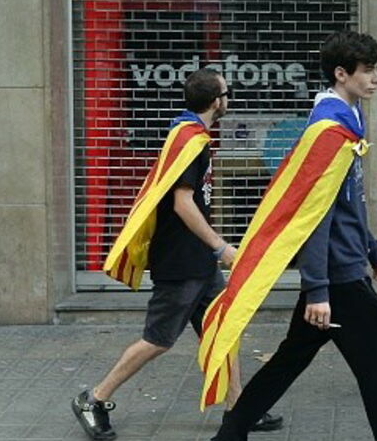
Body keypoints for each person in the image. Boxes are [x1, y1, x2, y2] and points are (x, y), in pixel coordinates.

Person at [210, 31, 377, 441]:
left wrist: (373, 248)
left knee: (290, 360)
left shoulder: (348, 122)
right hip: (339, 280)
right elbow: (312, 217)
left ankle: (230, 433)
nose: (376, 79)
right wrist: (317, 289)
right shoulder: (328, 132)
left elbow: (346, 202)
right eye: (368, 71)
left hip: (342, 269)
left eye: (376, 70)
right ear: (341, 74)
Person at [71, 68, 282, 440]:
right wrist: (220, 246)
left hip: (197, 261)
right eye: (226, 93)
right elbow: (183, 203)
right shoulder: (190, 141)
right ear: (217, 101)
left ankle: (238, 410)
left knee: (223, 329)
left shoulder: (191, 135)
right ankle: (94, 398)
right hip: (181, 262)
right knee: (158, 339)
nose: (228, 99)